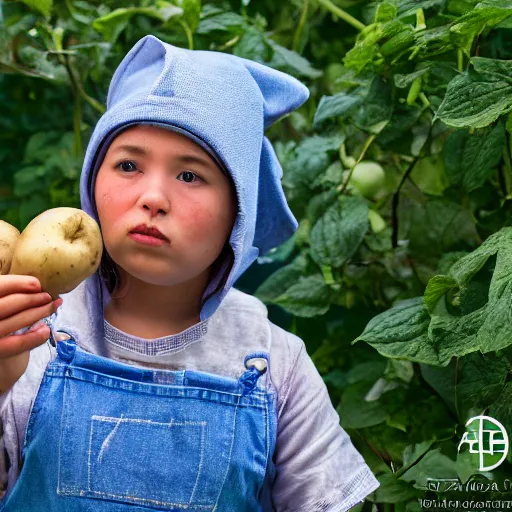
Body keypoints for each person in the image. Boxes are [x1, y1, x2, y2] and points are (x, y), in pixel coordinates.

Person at [0, 35, 380, 511]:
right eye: (128, 164)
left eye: (189, 175)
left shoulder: (276, 365)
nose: (153, 196)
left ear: (237, 214)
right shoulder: (29, 336)